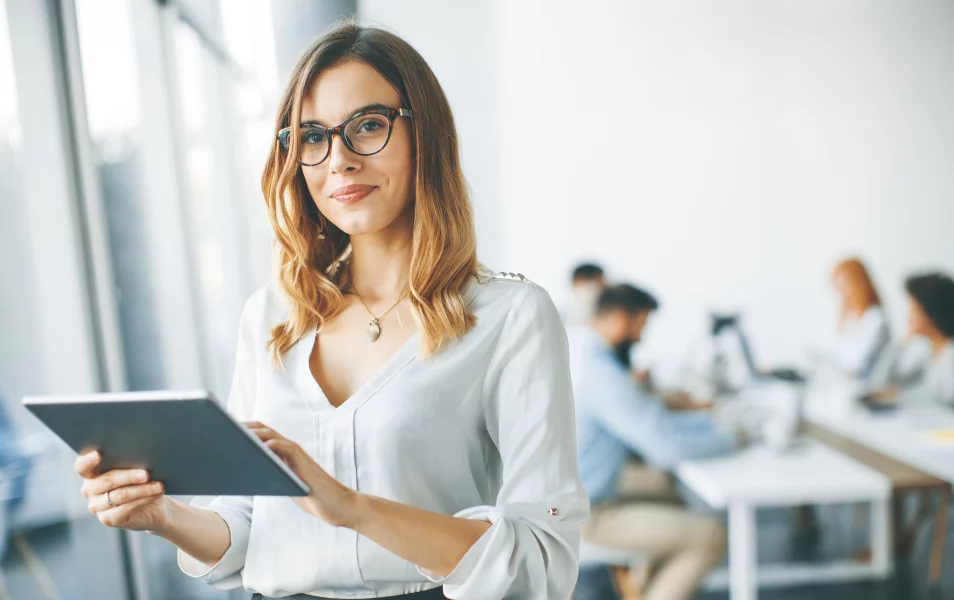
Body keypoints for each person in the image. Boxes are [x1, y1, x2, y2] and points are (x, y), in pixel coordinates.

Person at [72, 23, 588, 600]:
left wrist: (353, 508)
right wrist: (164, 516)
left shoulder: (509, 316)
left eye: (368, 125)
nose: (338, 160)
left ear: (425, 132)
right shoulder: (272, 315)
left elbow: (541, 558)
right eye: (313, 137)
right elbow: (249, 526)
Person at [570, 284, 740, 600]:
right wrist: (732, 438)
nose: (640, 338)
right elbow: (665, 448)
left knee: (672, 494)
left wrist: (709, 424)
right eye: (641, 325)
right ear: (621, 318)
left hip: (576, 497)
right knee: (710, 535)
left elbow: (653, 423)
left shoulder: (582, 351)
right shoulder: (599, 372)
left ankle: (642, 588)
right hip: (587, 516)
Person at [867, 273, 954, 408]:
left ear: (931, 311)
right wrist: (900, 344)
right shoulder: (929, 354)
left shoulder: (950, 354)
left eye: (913, 308)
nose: (908, 315)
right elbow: (880, 383)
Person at [827, 258, 890, 379]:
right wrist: (840, 321)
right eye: (838, 290)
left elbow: (855, 366)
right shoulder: (851, 319)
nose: (842, 296)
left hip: (867, 386)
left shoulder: (876, 320)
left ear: (859, 284)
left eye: (844, 288)